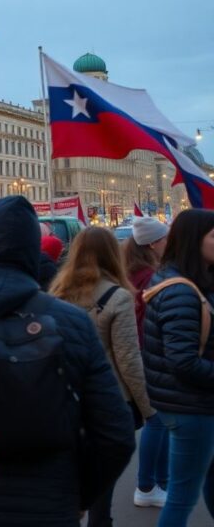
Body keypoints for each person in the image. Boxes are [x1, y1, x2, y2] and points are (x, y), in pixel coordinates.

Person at [0, 196, 135, 527]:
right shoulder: (72, 322)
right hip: (49, 505)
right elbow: (116, 434)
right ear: (32, 250)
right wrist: (78, 494)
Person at [49, 226, 155, 527]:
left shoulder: (57, 292)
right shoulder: (118, 296)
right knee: (102, 479)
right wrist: (148, 408)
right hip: (106, 397)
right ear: (113, 254)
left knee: (69, 470)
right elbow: (128, 358)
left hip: (64, 392)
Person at [142, 208, 214, 527]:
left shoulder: (184, 279)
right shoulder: (181, 291)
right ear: (194, 241)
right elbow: (183, 362)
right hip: (191, 407)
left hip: (191, 403)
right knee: (182, 496)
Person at [123, 216, 170, 508]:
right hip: (148, 354)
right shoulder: (149, 277)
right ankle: (148, 484)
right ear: (153, 244)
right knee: (157, 420)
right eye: (165, 239)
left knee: (159, 420)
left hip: (142, 353)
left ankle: (157, 483)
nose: (169, 243)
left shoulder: (133, 272)